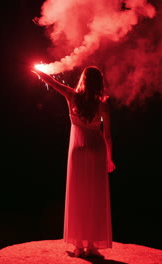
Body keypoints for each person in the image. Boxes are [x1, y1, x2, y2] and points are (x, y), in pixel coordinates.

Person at [32, 65, 116, 258]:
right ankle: (92, 246)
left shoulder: (72, 96)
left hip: (78, 150)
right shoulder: (103, 103)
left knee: (79, 196)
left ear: (83, 80)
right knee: (95, 198)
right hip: (97, 151)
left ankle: (78, 245)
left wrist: (37, 70)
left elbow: (51, 82)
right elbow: (108, 135)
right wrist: (109, 159)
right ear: (100, 83)